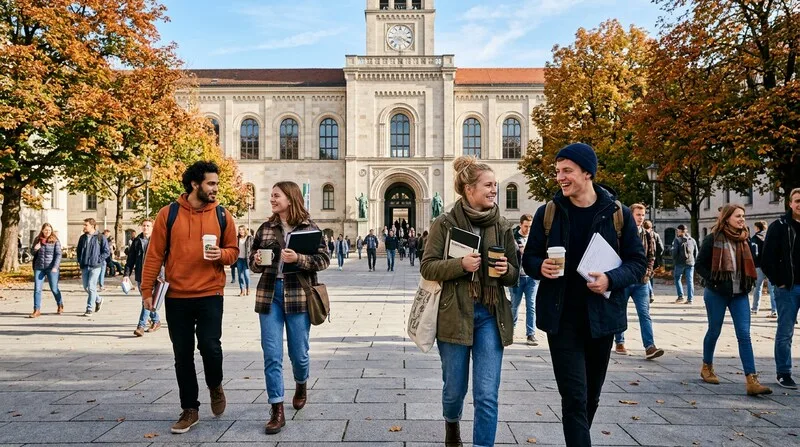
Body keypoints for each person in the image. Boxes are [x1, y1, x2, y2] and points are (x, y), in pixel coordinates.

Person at [522, 143, 646, 446]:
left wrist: (609, 279)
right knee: (574, 397)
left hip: (601, 319)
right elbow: (529, 258)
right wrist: (541, 267)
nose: (560, 177)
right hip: (561, 318)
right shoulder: (547, 212)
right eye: (557, 172)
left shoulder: (618, 214)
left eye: (567, 171)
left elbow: (637, 262)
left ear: (587, 173)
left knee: (591, 396)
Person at [420, 156, 519, 447]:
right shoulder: (445, 223)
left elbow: (514, 273)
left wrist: (505, 271)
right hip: (454, 314)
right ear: (469, 190)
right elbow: (428, 267)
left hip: (491, 314)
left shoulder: (501, 224)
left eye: (495, 185)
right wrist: (460, 265)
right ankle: (452, 424)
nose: (494, 190)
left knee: (487, 394)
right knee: (454, 390)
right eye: (488, 185)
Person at [140, 161, 238, 434]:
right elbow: (154, 255)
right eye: (211, 183)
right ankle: (190, 408)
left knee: (210, 345)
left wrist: (222, 254)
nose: (216, 189)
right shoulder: (168, 214)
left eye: (216, 184)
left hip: (210, 292)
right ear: (195, 184)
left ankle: (215, 385)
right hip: (177, 295)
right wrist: (147, 291)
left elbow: (233, 251)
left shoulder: (222, 215)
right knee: (182, 354)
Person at [249, 181, 330, 435]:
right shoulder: (265, 228)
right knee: (271, 354)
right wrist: (258, 260)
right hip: (270, 294)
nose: (272, 199)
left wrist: (299, 259)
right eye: (271, 195)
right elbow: (252, 262)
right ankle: (277, 408)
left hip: (298, 295)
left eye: (276, 195)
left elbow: (324, 259)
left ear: (290, 198)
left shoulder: (310, 228)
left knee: (299, 353)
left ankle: (301, 383)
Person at [695, 204, 771, 396]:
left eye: (743, 216)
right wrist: (713, 280)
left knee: (744, 335)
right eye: (738, 216)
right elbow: (700, 265)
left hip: (740, 294)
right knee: (714, 330)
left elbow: (752, 264)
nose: (742, 219)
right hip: (717, 293)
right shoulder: (713, 239)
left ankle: (751, 380)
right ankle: (707, 366)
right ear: (727, 217)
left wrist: (751, 282)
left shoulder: (745, 240)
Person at [613, 204, 665, 359]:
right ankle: (620, 341)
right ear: (630, 215)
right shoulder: (621, 233)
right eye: (638, 214)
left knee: (644, 313)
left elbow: (652, 256)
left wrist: (648, 273)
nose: (641, 218)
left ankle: (650, 346)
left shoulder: (648, 235)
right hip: (624, 280)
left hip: (641, 281)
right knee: (620, 311)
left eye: (643, 215)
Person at [762, 188, 800, 389]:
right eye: (797, 201)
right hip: (789, 288)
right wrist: (779, 281)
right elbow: (767, 258)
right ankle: (784, 372)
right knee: (785, 332)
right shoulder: (780, 226)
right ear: (790, 203)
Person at [125, 220, 161, 337]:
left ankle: (140, 326)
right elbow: (130, 259)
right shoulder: (136, 241)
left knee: (146, 300)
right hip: (141, 275)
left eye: (148, 226)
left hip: (157, 275)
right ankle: (156, 320)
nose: (145, 228)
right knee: (146, 301)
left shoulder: (159, 239)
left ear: (152, 227)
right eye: (144, 226)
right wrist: (126, 274)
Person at [510, 214, 539, 346]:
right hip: (517, 277)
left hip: (531, 277)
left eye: (531, 227)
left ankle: (530, 334)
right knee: (514, 305)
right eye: (526, 226)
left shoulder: (535, 238)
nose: (528, 229)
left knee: (531, 305)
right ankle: (510, 330)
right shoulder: (513, 237)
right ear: (521, 224)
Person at [77, 218, 110, 316]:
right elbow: (78, 250)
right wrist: (79, 260)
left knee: (91, 286)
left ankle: (89, 308)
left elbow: (106, 251)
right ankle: (98, 299)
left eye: (85, 225)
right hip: (85, 265)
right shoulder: (82, 238)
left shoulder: (100, 237)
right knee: (86, 287)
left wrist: (99, 259)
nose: (84, 227)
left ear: (92, 226)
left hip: (95, 266)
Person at [29, 223, 63, 317]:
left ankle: (60, 304)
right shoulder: (37, 239)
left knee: (54, 288)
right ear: (42, 230)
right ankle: (36, 310)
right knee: (37, 289)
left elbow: (58, 254)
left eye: (49, 230)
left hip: (51, 268)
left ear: (51, 231)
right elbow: (32, 252)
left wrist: (55, 267)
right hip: (39, 267)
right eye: (45, 230)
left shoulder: (55, 240)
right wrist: (35, 249)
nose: (47, 232)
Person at [750, 220, 776, 316]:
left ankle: (755, 309)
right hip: (770, 266)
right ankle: (774, 310)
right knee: (772, 289)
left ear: (757, 228)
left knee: (758, 288)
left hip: (758, 266)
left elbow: (754, 253)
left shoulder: (754, 238)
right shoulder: (771, 237)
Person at [672, 224, 698, 304]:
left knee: (677, 278)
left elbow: (674, 252)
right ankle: (690, 299)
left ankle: (680, 296)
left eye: (677, 230)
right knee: (690, 281)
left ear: (680, 231)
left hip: (680, 263)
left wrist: (674, 259)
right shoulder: (692, 240)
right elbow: (696, 252)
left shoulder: (677, 240)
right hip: (690, 263)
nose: (677, 232)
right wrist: (694, 261)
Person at [236, 225, 253, 296]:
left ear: (245, 230)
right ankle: (242, 290)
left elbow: (252, 248)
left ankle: (248, 289)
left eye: (242, 230)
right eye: (240, 230)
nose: (241, 231)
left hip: (246, 259)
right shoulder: (237, 238)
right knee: (240, 275)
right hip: (239, 259)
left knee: (246, 275)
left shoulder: (249, 238)